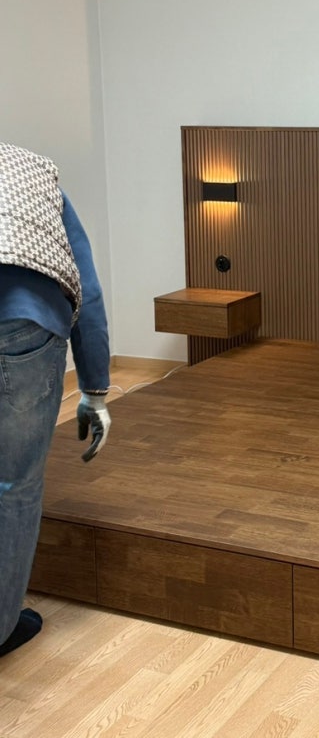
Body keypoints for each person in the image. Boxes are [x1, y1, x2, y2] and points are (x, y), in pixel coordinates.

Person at [0, 142, 111, 657]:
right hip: (23, 323)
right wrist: (95, 389)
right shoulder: (35, 175)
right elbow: (86, 288)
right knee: (13, 484)